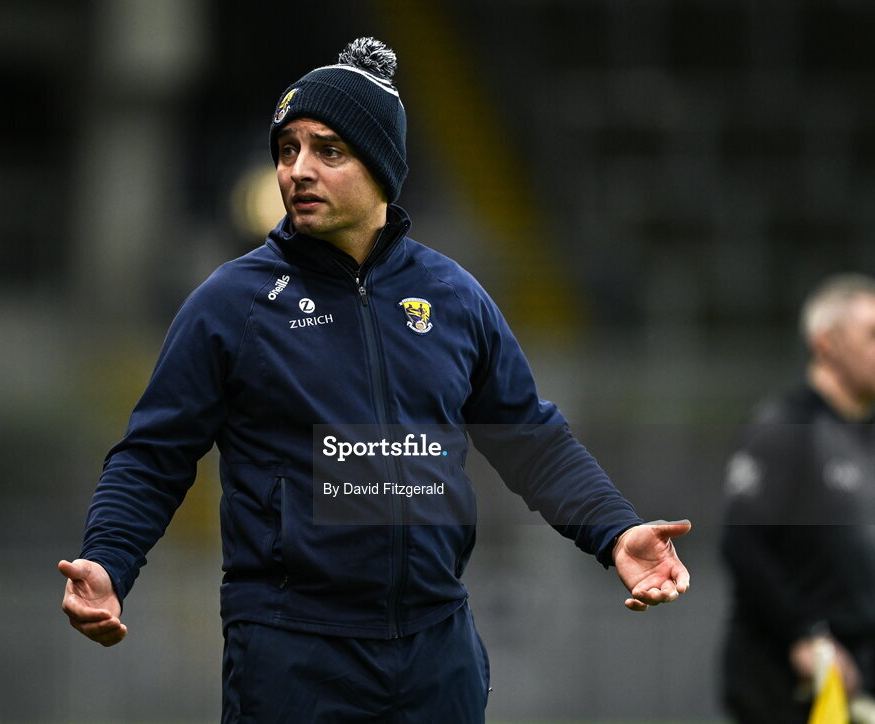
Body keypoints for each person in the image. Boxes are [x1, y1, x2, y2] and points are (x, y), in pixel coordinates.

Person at [59, 37, 691, 722]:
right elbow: (154, 457)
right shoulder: (230, 304)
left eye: (328, 150)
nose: (299, 170)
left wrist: (615, 530)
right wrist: (108, 561)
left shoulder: (454, 297)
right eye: (287, 149)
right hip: (292, 651)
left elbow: (532, 440)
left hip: (435, 649)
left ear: (382, 166)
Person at [720, 273, 875, 723]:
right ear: (826, 343)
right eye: (871, 335)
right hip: (785, 685)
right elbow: (742, 542)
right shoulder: (786, 428)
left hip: (857, 680)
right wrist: (806, 634)